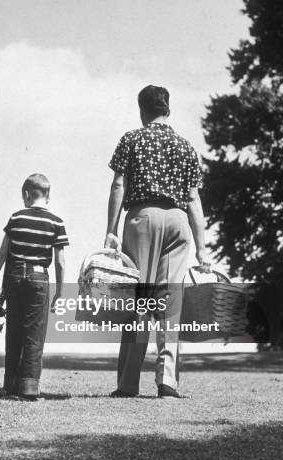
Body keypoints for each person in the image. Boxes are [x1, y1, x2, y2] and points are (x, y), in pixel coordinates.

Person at [104, 85, 210, 399]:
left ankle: (127, 384)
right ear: (168, 109)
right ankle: (168, 383)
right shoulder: (186, 146)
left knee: (139, 299)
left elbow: (118, 185)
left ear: (142, 110)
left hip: (142, 220)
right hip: (178, 222)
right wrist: (202, 247)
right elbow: (194, 200)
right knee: (170, 302)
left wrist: (110, 230)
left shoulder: (131, 139)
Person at [0, 174, 68, 401]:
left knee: (13, 330)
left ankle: (11, 385)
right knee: (34, 333)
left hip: (14, 277)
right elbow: (60, 262)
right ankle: (29, 387)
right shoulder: (57, 222)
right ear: (48, 196)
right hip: (39, 277)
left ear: (25, 194)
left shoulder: (16, 217)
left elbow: (3, 253)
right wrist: (60, 292)